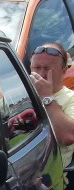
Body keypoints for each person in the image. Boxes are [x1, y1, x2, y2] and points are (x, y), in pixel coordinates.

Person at [29, 42, 74, 176]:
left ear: (63, 70)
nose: (41, 74)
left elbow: (67, 137)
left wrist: (46, 98)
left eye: (48, 69)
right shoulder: (22, 95)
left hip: (52, 178)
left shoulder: (71, 98)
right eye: (37, 67)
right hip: (24, 169)